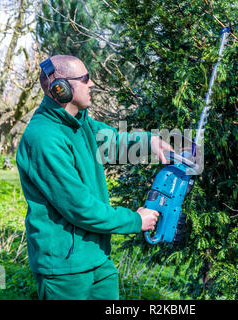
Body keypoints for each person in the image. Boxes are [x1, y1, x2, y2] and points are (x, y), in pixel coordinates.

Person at [16, 55, 174, 300]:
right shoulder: (44, 138)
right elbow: (79, 207)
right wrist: (134, 220)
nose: (92, 85)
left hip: (98, 258)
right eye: (85, 79)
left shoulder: (80, 123)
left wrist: (150, 143)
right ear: (62, 89)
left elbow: (114, 143)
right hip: (65, 270)